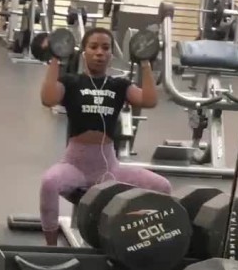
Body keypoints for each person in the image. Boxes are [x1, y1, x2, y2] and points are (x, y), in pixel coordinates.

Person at [39, 27, 172, 247]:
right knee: (49, 182)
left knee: (162, 186)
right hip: (75, 166)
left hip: (109, 168)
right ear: (84, 52)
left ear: (111, 54)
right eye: (93, 47)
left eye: (105, 48)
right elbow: (48, 98)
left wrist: (145, 61)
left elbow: (149, 100)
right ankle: (51, 249)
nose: (99, 52)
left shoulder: (119, 85)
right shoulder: (71, 82)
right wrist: (55, 57)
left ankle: (146, 244)